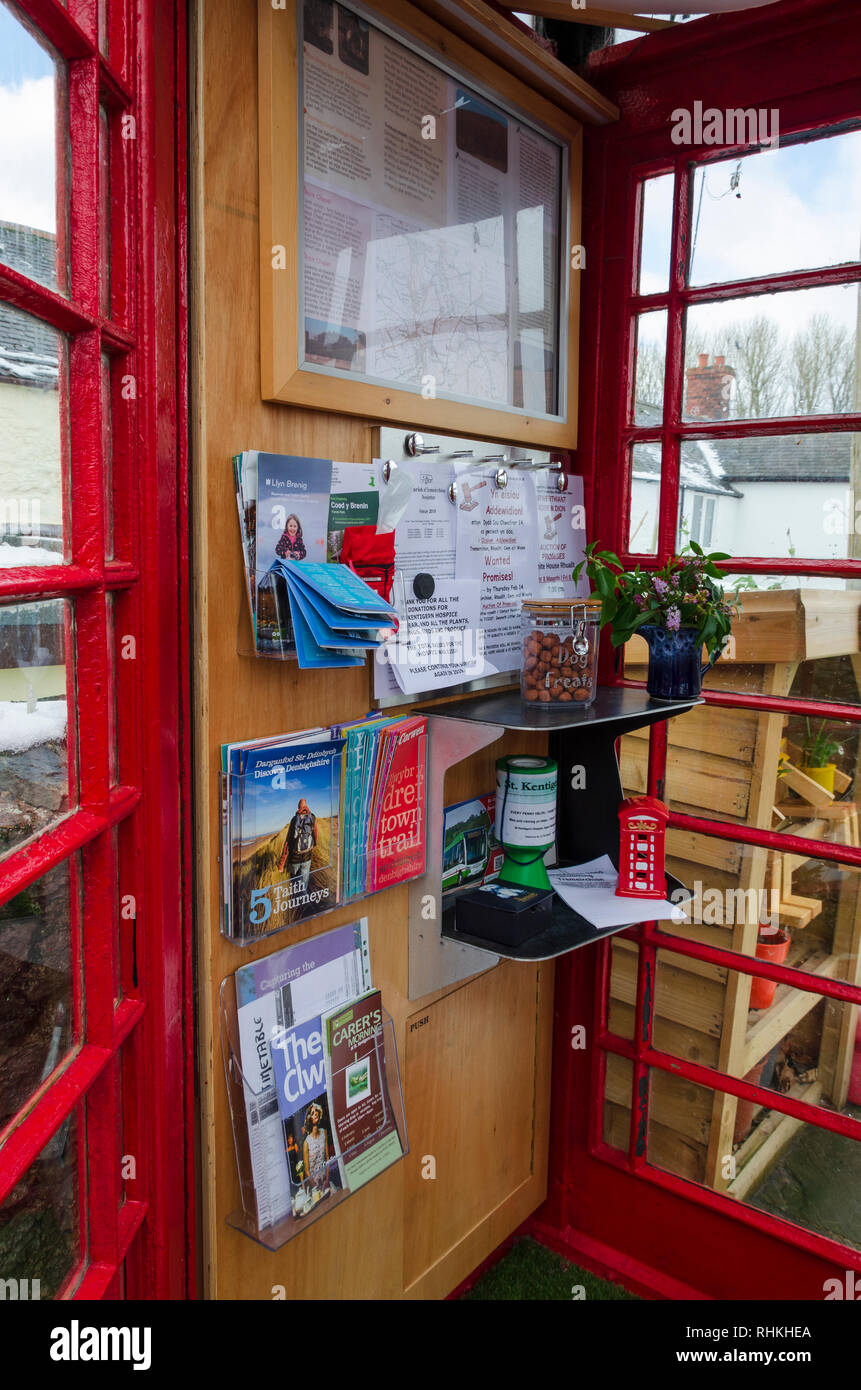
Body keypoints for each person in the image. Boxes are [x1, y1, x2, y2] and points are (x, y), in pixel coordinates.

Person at [278, 797, 317, 894]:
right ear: (306, 806)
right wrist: (313, 845)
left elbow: (288, 842)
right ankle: (303, 900)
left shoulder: (294, 820)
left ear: (298, 807)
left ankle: (294, 900)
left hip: (294, 858)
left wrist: (282, 864)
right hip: (307, 857)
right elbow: (315, 834)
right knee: (304, 884)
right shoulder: (312, 817)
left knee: (294, 882)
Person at [302, 1102, 331, 1197]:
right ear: (309, 1118)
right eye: (312, 1112)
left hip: (326, 1180)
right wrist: (316, 1188)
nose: (315, 1113)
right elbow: (306, 1171)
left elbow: (327, 1157)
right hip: (314, 1188)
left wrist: (327, 1179)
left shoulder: (324, 1132)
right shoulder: (306, 1143)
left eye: (316, 1111)